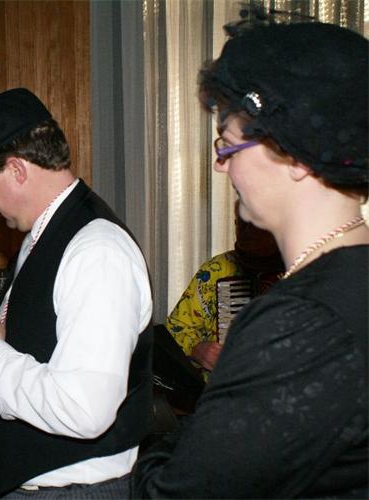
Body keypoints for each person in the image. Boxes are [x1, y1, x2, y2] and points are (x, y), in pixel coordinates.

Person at [132, 21, 368, 498]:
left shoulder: (298, 322)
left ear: (293, 155)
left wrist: (144, 449)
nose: (221, 165)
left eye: (228, 143)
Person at [0, 88, 154, 498]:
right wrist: (6, 310)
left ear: (17, 169)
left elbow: (85, 408)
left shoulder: (96, 250)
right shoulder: (46, 232)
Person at [165, 205, 283, 375]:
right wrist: (197, 349)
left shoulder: (306, 271)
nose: (248, 232)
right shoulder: (218, 270)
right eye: (242, 225)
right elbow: (175, 330)